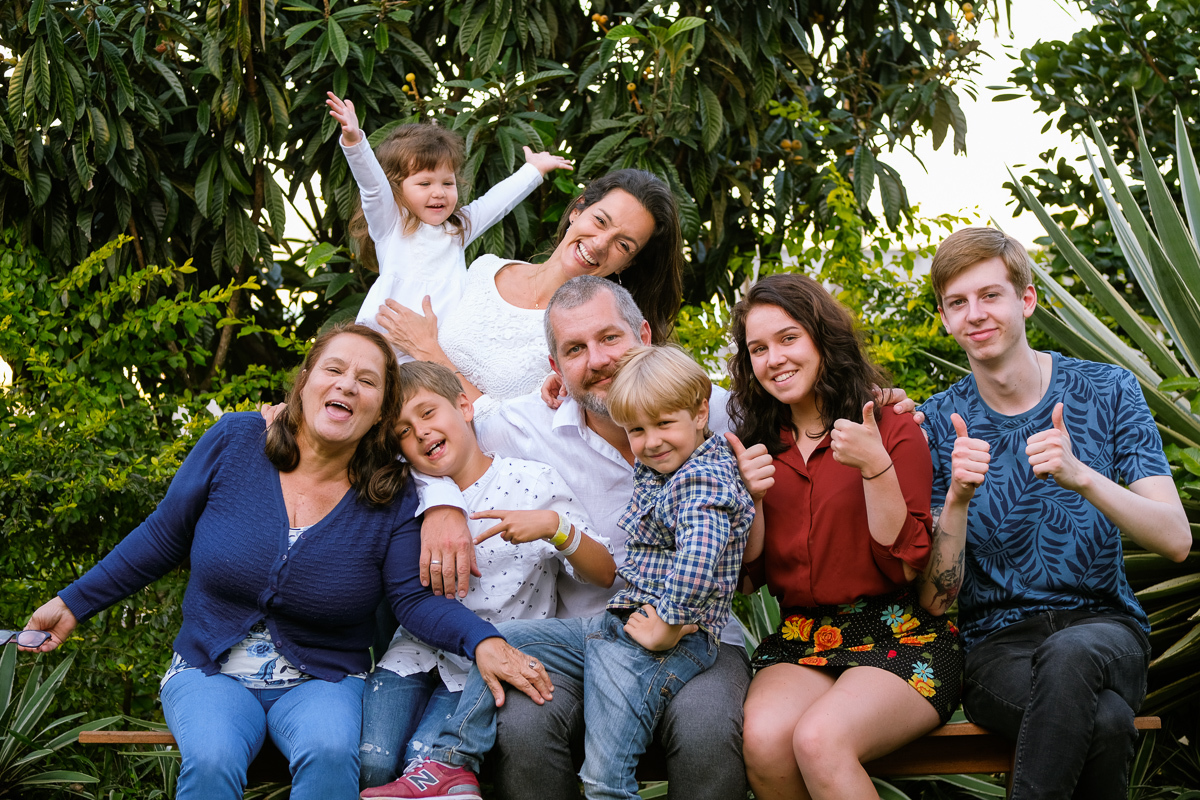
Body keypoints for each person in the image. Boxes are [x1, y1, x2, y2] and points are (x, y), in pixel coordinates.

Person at [20, 324, 553, 800]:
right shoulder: (234, 441)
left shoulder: (391, 495)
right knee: (211, 760)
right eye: (335, 370)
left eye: (367, 381)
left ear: (380, 413)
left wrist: (482, 640)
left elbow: (411, 600)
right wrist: (72, 603)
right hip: (210, 670)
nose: (348, 385)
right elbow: (163, 536)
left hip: (323, 680)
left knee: (329, 756)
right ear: (305, 381)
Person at [363, 343, 755, 800]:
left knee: (606, 776)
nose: (650, 441)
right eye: (637, 431)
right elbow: (371, 456)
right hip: (617, 624)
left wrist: (668, 621)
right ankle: (453, 763)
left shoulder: (700, 480)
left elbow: (698, 560)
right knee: (500, 637)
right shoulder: (657, 464)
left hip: (669, 632)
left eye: (663, 424)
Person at [916, 227, 1190, 800]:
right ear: (944, 318)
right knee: (1109, 725)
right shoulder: (937, 422)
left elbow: (1175, 540)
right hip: (996, 648)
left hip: (1108, 630)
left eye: (990, 295)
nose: (975, 315)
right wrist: (958, 500)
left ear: (1027, 300)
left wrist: (1081, 475)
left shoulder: (1109, 390)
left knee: (1072, 650)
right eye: (957, 303)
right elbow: (935, 601)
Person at [727, 274, 963, 800]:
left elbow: (906, 566)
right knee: (764, 741)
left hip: (902, 635)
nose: (775, 359)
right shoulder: (757, 446)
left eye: (789, 338)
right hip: (802, 637)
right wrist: (754, 500)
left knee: (819, 739)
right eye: (758, 348)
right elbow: (749, 580)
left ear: (822, 338)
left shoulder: (893, 426)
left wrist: (875, 465)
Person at [359, 360, 615, 788]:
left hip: (487, 668)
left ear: (464, 406)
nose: (419, 432)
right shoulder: (403, 490)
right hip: (412, 657)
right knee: (371, 764)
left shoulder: (532, 482)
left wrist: (555, 526)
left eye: (427, 413)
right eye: (402, 431)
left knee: (423, 764)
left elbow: (604, 572)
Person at [370, 168, 684, 410]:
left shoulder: (589, 342)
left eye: (623, 244)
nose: (600, 244)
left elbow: (517, 432)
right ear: (578, 210)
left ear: (627, 264)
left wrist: (430, 352)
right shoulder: (484, 268)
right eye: (600, 221)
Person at [326, 92, 572, 361]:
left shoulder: (456, 229)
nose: (439, 193)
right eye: (424, 184)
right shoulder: (390, 225)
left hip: (440, 352)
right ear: (396, 187)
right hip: (388, 345)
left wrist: (533, 170)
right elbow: (372, 186)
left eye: (447, 183)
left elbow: (495, 203)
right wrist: (355, 142)